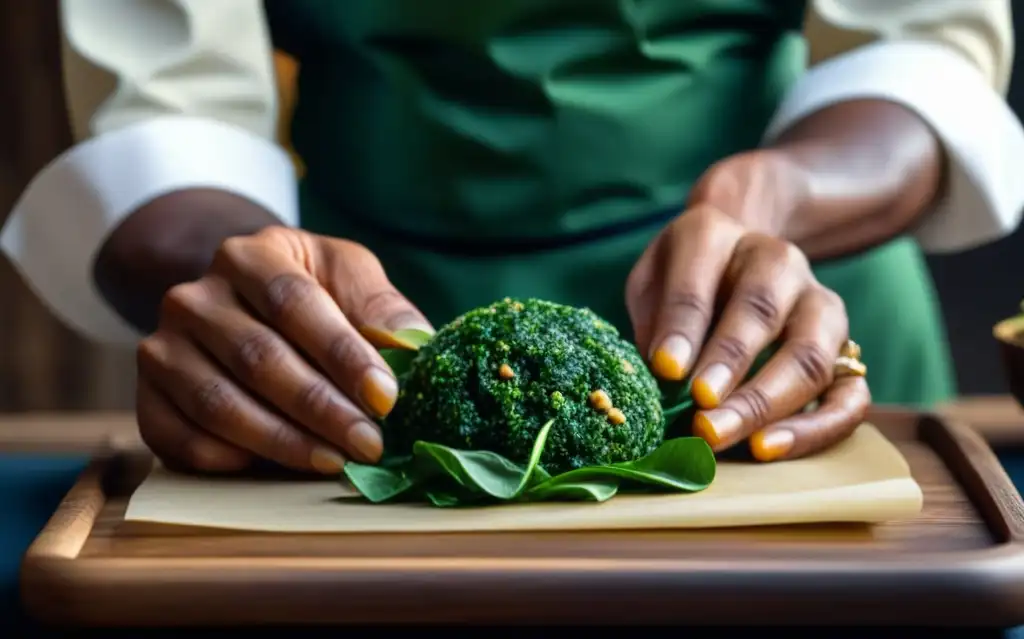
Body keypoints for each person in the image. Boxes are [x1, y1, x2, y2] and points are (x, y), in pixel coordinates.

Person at [2, 0, 1023, 475]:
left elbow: (920, 43)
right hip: (350, 337)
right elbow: (168, 105)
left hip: (766, 319)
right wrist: (249, 281)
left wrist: (768, 201)